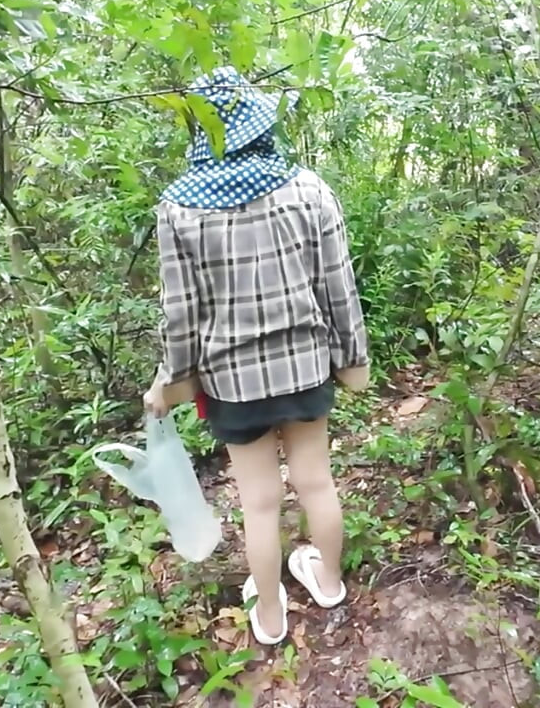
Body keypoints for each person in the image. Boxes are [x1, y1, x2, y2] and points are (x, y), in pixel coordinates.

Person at [142, 66, 370, 646]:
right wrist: (352, 358)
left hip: (231, 382)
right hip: (305, 365)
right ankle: (329, 581)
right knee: (317, 483)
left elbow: (181, 313)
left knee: (260, 503)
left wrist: (170, 382)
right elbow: (337, 286)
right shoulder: (307, 188)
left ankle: (269, 616)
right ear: (259, 119)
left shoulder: (178, 209)